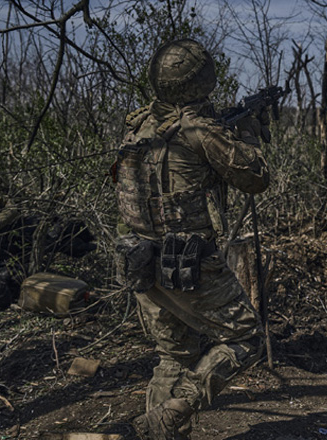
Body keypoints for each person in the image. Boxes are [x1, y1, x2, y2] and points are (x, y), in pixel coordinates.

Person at [113, 39, 271, 440]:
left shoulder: (139, 125)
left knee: (174, 355)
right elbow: (256, 178)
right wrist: (249, 132)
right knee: (246, 337)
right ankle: (179, 408)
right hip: (189, 263)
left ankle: (161, 429)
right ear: (203, 80)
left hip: (141, 258)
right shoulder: (198, 129)